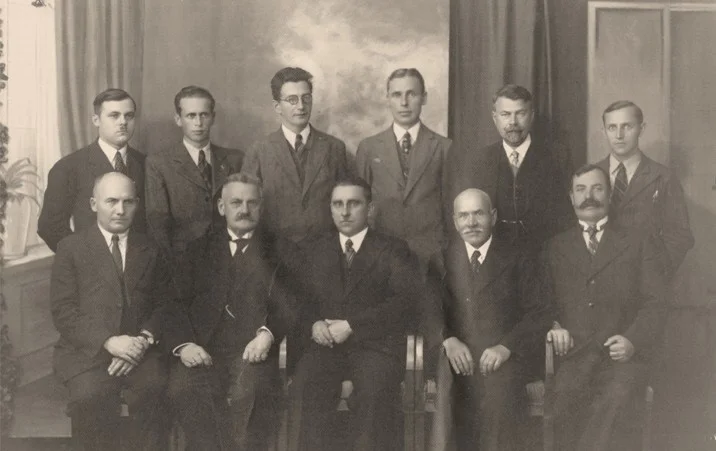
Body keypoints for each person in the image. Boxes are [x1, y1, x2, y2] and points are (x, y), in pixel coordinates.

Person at [165, 173, 296, 450]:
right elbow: (173, 304)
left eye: (252, 203)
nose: (244, 210)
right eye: (236, 202)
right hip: (204, 350)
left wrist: (268, 334)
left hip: (253, 352)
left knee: (255, 392)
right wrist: (185, 345)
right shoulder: (196, 250)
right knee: (184, 388)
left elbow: (291, 303)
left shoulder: (281, 250)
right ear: (221, 207)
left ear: (261, 206)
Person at [289, 176, 422, 451]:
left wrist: (352, 325)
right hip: (324, 346)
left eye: (354, 203)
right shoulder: (312, 249)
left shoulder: (393, 249)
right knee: (306, 384)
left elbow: (404, 302)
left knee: (375, 394)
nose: (345, 211)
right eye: (338, 204)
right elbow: (297, 298)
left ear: (370, 208)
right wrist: (314, 323)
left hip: (375, 347)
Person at [543, 164, 667, 451]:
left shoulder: (638, 241)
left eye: (597, 188)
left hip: (622, 358)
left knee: (617, 398)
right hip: (574, 356)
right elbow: (543, 302)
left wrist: (633, 340)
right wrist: (554, 326)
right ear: (571, 197)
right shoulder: (554, 247)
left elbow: (656, 302)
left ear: (610, 195)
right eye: (581, 190)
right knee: (564, 401)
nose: (589, 196)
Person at [423, 188, 552, 451]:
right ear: (455, 221)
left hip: (505, 356)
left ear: (492, 217)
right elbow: (429, 310)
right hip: (458, 355)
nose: (471, 222)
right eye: (464, 216)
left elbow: (539, 311)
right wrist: (448, 339)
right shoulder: (441, 259)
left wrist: (506, 347)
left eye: (478, 214)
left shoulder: (519, 257)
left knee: (499, 404)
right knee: (451, 403)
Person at [50, 172, 171, 451]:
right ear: (94, 204)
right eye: (111, 201)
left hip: (141, 351)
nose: (120, 210)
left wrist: (141, 341)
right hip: (87, 353)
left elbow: (165, 304)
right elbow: (63, 311)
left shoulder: (151, 248)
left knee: (156, 389)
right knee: (90, 397)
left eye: (128, 202)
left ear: (137, 204)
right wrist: (109, 341)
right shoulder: (71, 248)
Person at [450, 84, 573, 254]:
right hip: (496, 259)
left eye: (520, 113)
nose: (513, 122)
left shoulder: (557, 157)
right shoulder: (479, 162)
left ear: (531, 116)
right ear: (495, 118)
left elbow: (566, 217)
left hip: (544, 256)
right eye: (505, 114)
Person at [242, 66, 350, 244]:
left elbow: (345, 202)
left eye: (306, 98)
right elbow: (248, 207)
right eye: (292, 100)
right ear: (277, 106)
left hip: (325, 249)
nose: (301, 106)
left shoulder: (334, 148)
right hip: (274, 251)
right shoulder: (259, 151)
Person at [356, 68, 452, 267]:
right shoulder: (368, 148)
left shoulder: (444, 148)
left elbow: (450, 208)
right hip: (381, 255)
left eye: (411, 94)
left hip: (431, 258)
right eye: (396, 95)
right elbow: (360, 206)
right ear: (387, 99)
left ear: (424, 98)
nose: (404, 103)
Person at [145, 86, 243, 279]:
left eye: (204, 115)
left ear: (213, 117)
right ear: (178, 119)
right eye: (191, 116)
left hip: (231, 262)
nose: (198, 123)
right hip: (183, 267)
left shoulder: (235, 160)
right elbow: (158, 226)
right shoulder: (159, 164)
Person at [39, 89, 146, 252]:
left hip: (140, 262)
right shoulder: (68, 167)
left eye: (129, 116)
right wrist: (82, 258)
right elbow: (50, 227)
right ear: (96, 120)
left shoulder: (147, 164)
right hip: (90, 263)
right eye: (114, 115)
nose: (123, 122)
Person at [596, 100, 693, 278]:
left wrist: (654, 274)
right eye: (612, 127)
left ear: (641, 129)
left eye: (627, 126)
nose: (619, 135)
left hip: (644, 282)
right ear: (604, 131)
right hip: (599, 279)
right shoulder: (590, 175)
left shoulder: (663, 177)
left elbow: (680, 235)